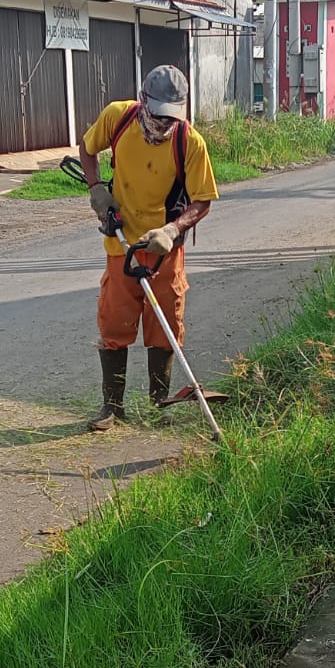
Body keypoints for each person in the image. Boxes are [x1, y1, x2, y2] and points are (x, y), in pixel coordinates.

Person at [78, 65, 219, 430]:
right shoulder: (118, 118)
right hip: (121, 243)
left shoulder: (190, 142)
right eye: (158, 115)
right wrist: (96, 189)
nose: (163, 124)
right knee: (115, 322)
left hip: (163, 249)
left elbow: (202, 200)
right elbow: (87, 149)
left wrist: (172, 229)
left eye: (171, 117)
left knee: (165, 324)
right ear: (143, 100)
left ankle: (159, 405)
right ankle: (112, 407)